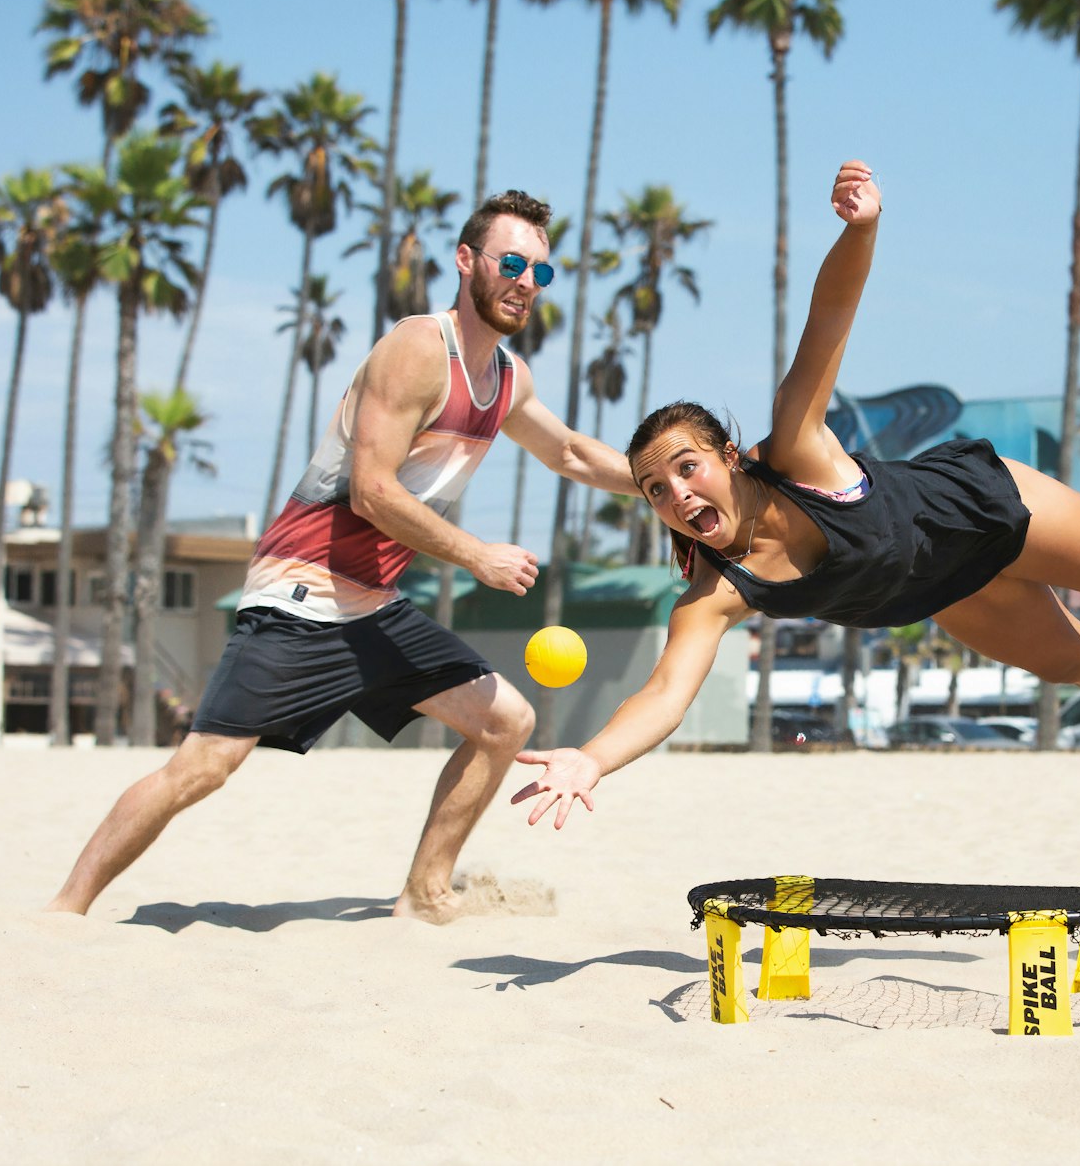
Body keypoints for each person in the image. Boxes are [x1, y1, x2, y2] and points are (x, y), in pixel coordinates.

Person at [510, 161, 1080, 822]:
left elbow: (828, 323)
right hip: (935, 588)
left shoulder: (797, 446)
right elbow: (664, 694)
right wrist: (590, 758)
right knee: (1076, 659)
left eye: (686, 466)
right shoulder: (712, 596)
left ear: (730, 455)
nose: (676, 492)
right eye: (657, 489)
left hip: (976, 506)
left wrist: (861, 231)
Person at [48, 189, 643, 924]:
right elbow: (370, 491)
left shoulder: (508, 379)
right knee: (203, 767)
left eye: (540, 273)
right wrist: (477, 556)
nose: (525, 282)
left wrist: (669, 481)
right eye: (512, 263)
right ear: (467, 261)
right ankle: (64, 910)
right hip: (302, 592)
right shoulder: (420, 349)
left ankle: (425, 893)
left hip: (372, 606)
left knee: (504, 721)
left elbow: (575, 452)